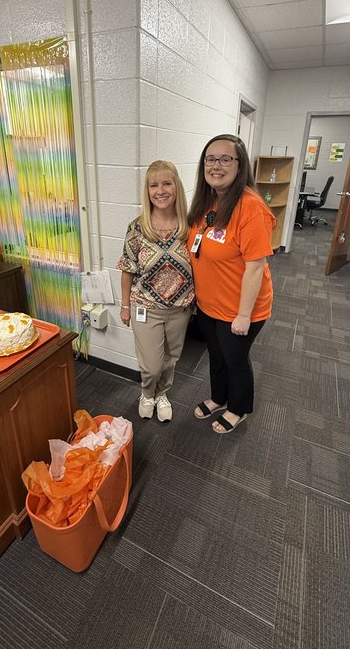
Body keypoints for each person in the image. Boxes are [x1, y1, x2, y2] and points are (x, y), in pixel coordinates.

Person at [187, 134, 275, 434]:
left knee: (235, 359)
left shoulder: (251, 207)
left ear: (240, 165)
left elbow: (255, 267)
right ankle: (218, 397)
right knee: (216, 355)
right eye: (210, 159)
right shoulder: (208, 201)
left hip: (240, 309)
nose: (216, 165)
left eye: (225, 159)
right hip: (209, 304)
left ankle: (238, 408)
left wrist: (243, 315)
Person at [117, 160, 195, 422]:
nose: (160, 191)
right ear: (147, 191)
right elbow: (127, 269)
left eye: (166, 183)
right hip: (145, 307)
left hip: (180, 308)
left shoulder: (190, 226)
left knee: (171, 359)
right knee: (151, 365)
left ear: (177, 187)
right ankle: (147, 393)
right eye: (154, 185)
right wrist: (125, 306)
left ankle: (162, 395)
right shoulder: (137, 227)